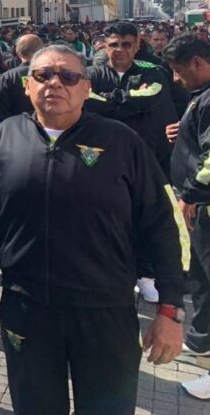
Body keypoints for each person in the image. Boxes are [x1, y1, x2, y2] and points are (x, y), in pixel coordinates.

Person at [0, 45, 187, 415]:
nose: (55, 83)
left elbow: (164, 225)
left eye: (68, 76)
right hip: (26, 308)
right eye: (43, 75)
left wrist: (170, 309)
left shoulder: (122, 141)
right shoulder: (6, 135)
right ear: (28, 85)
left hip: (104, 310)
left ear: (86, 88)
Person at [85, 21, 177, 303]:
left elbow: (148, 98)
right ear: (104, 45)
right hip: (100, 158)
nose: (120, 50)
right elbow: (87, 100)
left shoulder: (154, 71)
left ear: (138, 44)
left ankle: (146, 274)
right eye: (114, 44)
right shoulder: (90, 73)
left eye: (126, 44)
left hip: (144, 156)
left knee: (144, 216)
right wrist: (123, 104)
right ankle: (108, 272)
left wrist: (112, 101)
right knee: (103, 217)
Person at [163, 34, 210, 399]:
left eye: (180, 72)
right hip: (198, 206)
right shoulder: (201, 99)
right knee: (201, 280)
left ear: (198, 63)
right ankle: (202, 343)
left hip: (203, 206)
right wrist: (183, 134)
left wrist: (191, 196)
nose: (177, 80)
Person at [0, 34, 43, 122]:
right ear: (41, 51)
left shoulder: (8, 77)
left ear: (17, 52)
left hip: (16, 127)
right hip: (45, 128)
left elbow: (3, 111)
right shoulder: (52, 75)